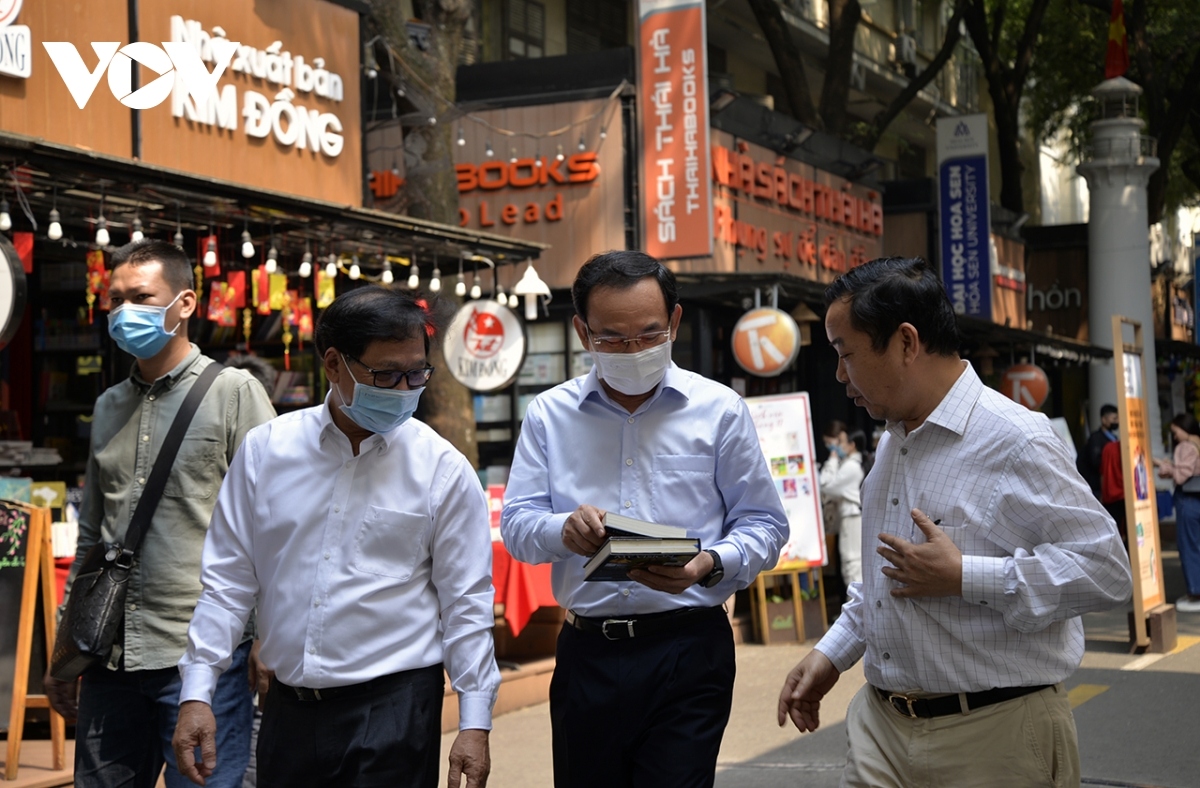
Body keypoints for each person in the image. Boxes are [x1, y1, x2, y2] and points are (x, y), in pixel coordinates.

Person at [776, 256, 1133, 787]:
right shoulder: (892, 440)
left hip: (996, 734)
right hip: (881, 728)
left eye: (844, 353)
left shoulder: (1017, 439)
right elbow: (886, 576)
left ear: (904, 343)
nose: (838, 374)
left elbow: (1106, 570)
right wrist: (832, 654)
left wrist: (966, 575)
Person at [172, 286, 498, 788]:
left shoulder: (443, 470)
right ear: (333, 363)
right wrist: (197, 691)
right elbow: (227, 584)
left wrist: (474, 722)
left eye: (417, 373)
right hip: (288, 708)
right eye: (386, 374)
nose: (405, 388)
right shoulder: (267, 452)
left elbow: (467, 603)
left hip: (395, 707)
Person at [502, 250, 789, 788]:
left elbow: (765, 525)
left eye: (649, 335)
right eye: (612, 338)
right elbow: (517, 525)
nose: (632, 350)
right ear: (582, 333)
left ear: (674, 323)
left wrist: (709, 563)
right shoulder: (549, 415)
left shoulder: (719, 410)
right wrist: (562, 530)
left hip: (688, 649)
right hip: (589, 653)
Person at [43, 239, 276, 788]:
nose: (125, 312)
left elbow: (276, 522)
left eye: (142, 297)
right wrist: (64, 650)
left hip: (202, 657)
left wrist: (268, 633)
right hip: (110, 657)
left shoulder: (235, 393)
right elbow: (92, 538)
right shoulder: (107, 406)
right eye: (115, 300)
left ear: (186, 303)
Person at [1153, 414, 1200, 613]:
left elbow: (1181, 475)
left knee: (1188, 545)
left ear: (1184, 427)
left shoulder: (1186, 447)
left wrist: (1161, 466)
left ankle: (1195, 591)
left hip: (1188, 499)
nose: (1174, 437)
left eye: (1174, 432)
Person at [819, 422, 865, 587]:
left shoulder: (851, 467)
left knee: (852, 564)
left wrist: (831, 460)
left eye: (841, 442)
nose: (837, 447)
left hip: (852, 517)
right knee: (850, 565)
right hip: (850, 517)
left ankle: (857, 610)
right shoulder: (850, 465)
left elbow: (825, 485)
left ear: (852, 445)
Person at [1078, 404, 1119, 498]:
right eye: (1114, 418)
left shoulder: (1114, 438)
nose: (1117, 421)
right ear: (1104, 419)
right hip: (1097, 487)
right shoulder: (1096, 439)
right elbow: (1096, 462)